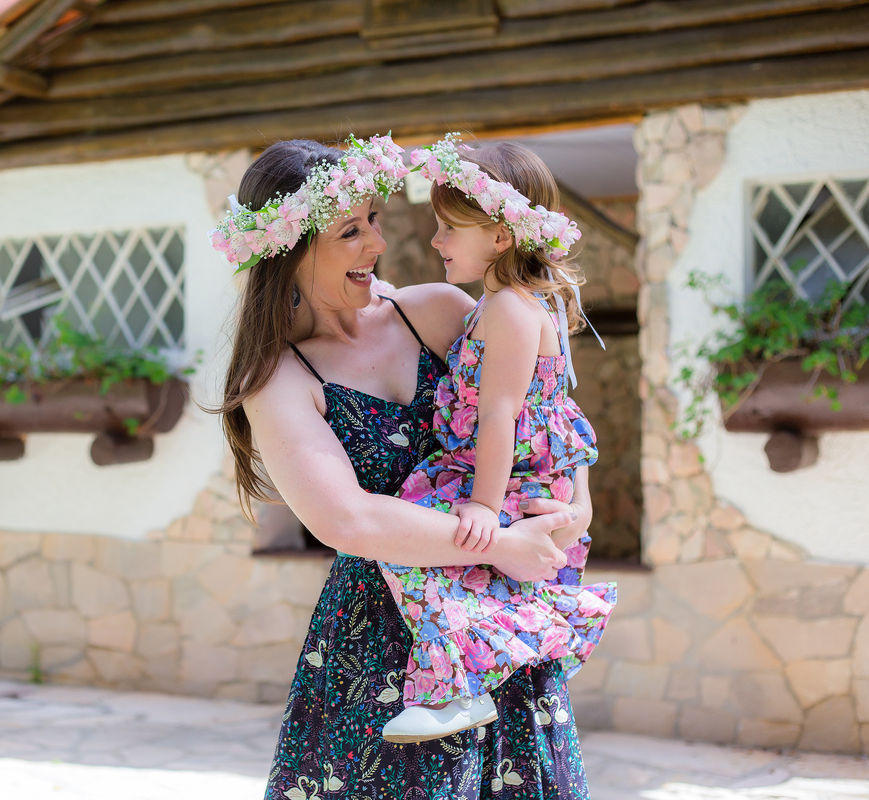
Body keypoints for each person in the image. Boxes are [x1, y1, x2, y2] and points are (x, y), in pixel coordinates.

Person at [210, 134, 594, 799]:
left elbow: (539, 398)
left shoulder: (438, 312)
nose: (378, 243)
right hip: (379, 649)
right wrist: (502, 544)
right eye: (350, 231)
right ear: (290, 251)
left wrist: (575, 505)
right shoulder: (277, 380)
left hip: (494, 628)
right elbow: (348, 520)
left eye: (374, 220)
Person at [377, 138, 617, 744]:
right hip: (514, 474)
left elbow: (502, 414)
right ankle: (462, 679)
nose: (435, 240)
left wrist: (483, 506)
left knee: (407, 537)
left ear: (501, 236)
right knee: (451, 563)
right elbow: (563, 410)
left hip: (505, 480)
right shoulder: (513, 303)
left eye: (449, 228)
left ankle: (455, 689)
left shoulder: (509, 306)